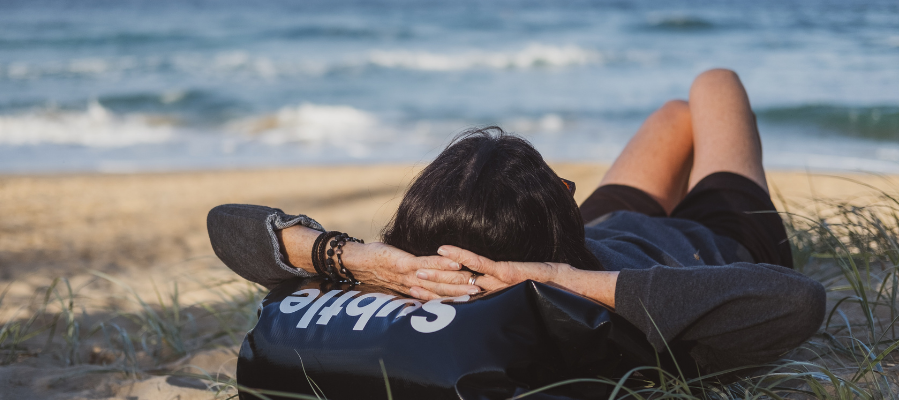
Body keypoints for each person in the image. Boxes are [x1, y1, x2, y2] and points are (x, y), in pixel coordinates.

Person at [207, 69, 825, 374]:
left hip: (599, 229)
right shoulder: (594, 311)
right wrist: (563, 276)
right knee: (713, 85)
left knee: (673, 115)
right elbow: (798, 302)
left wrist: (360, 259)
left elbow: (227, 225)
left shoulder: (416, 277)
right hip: (709, 238)